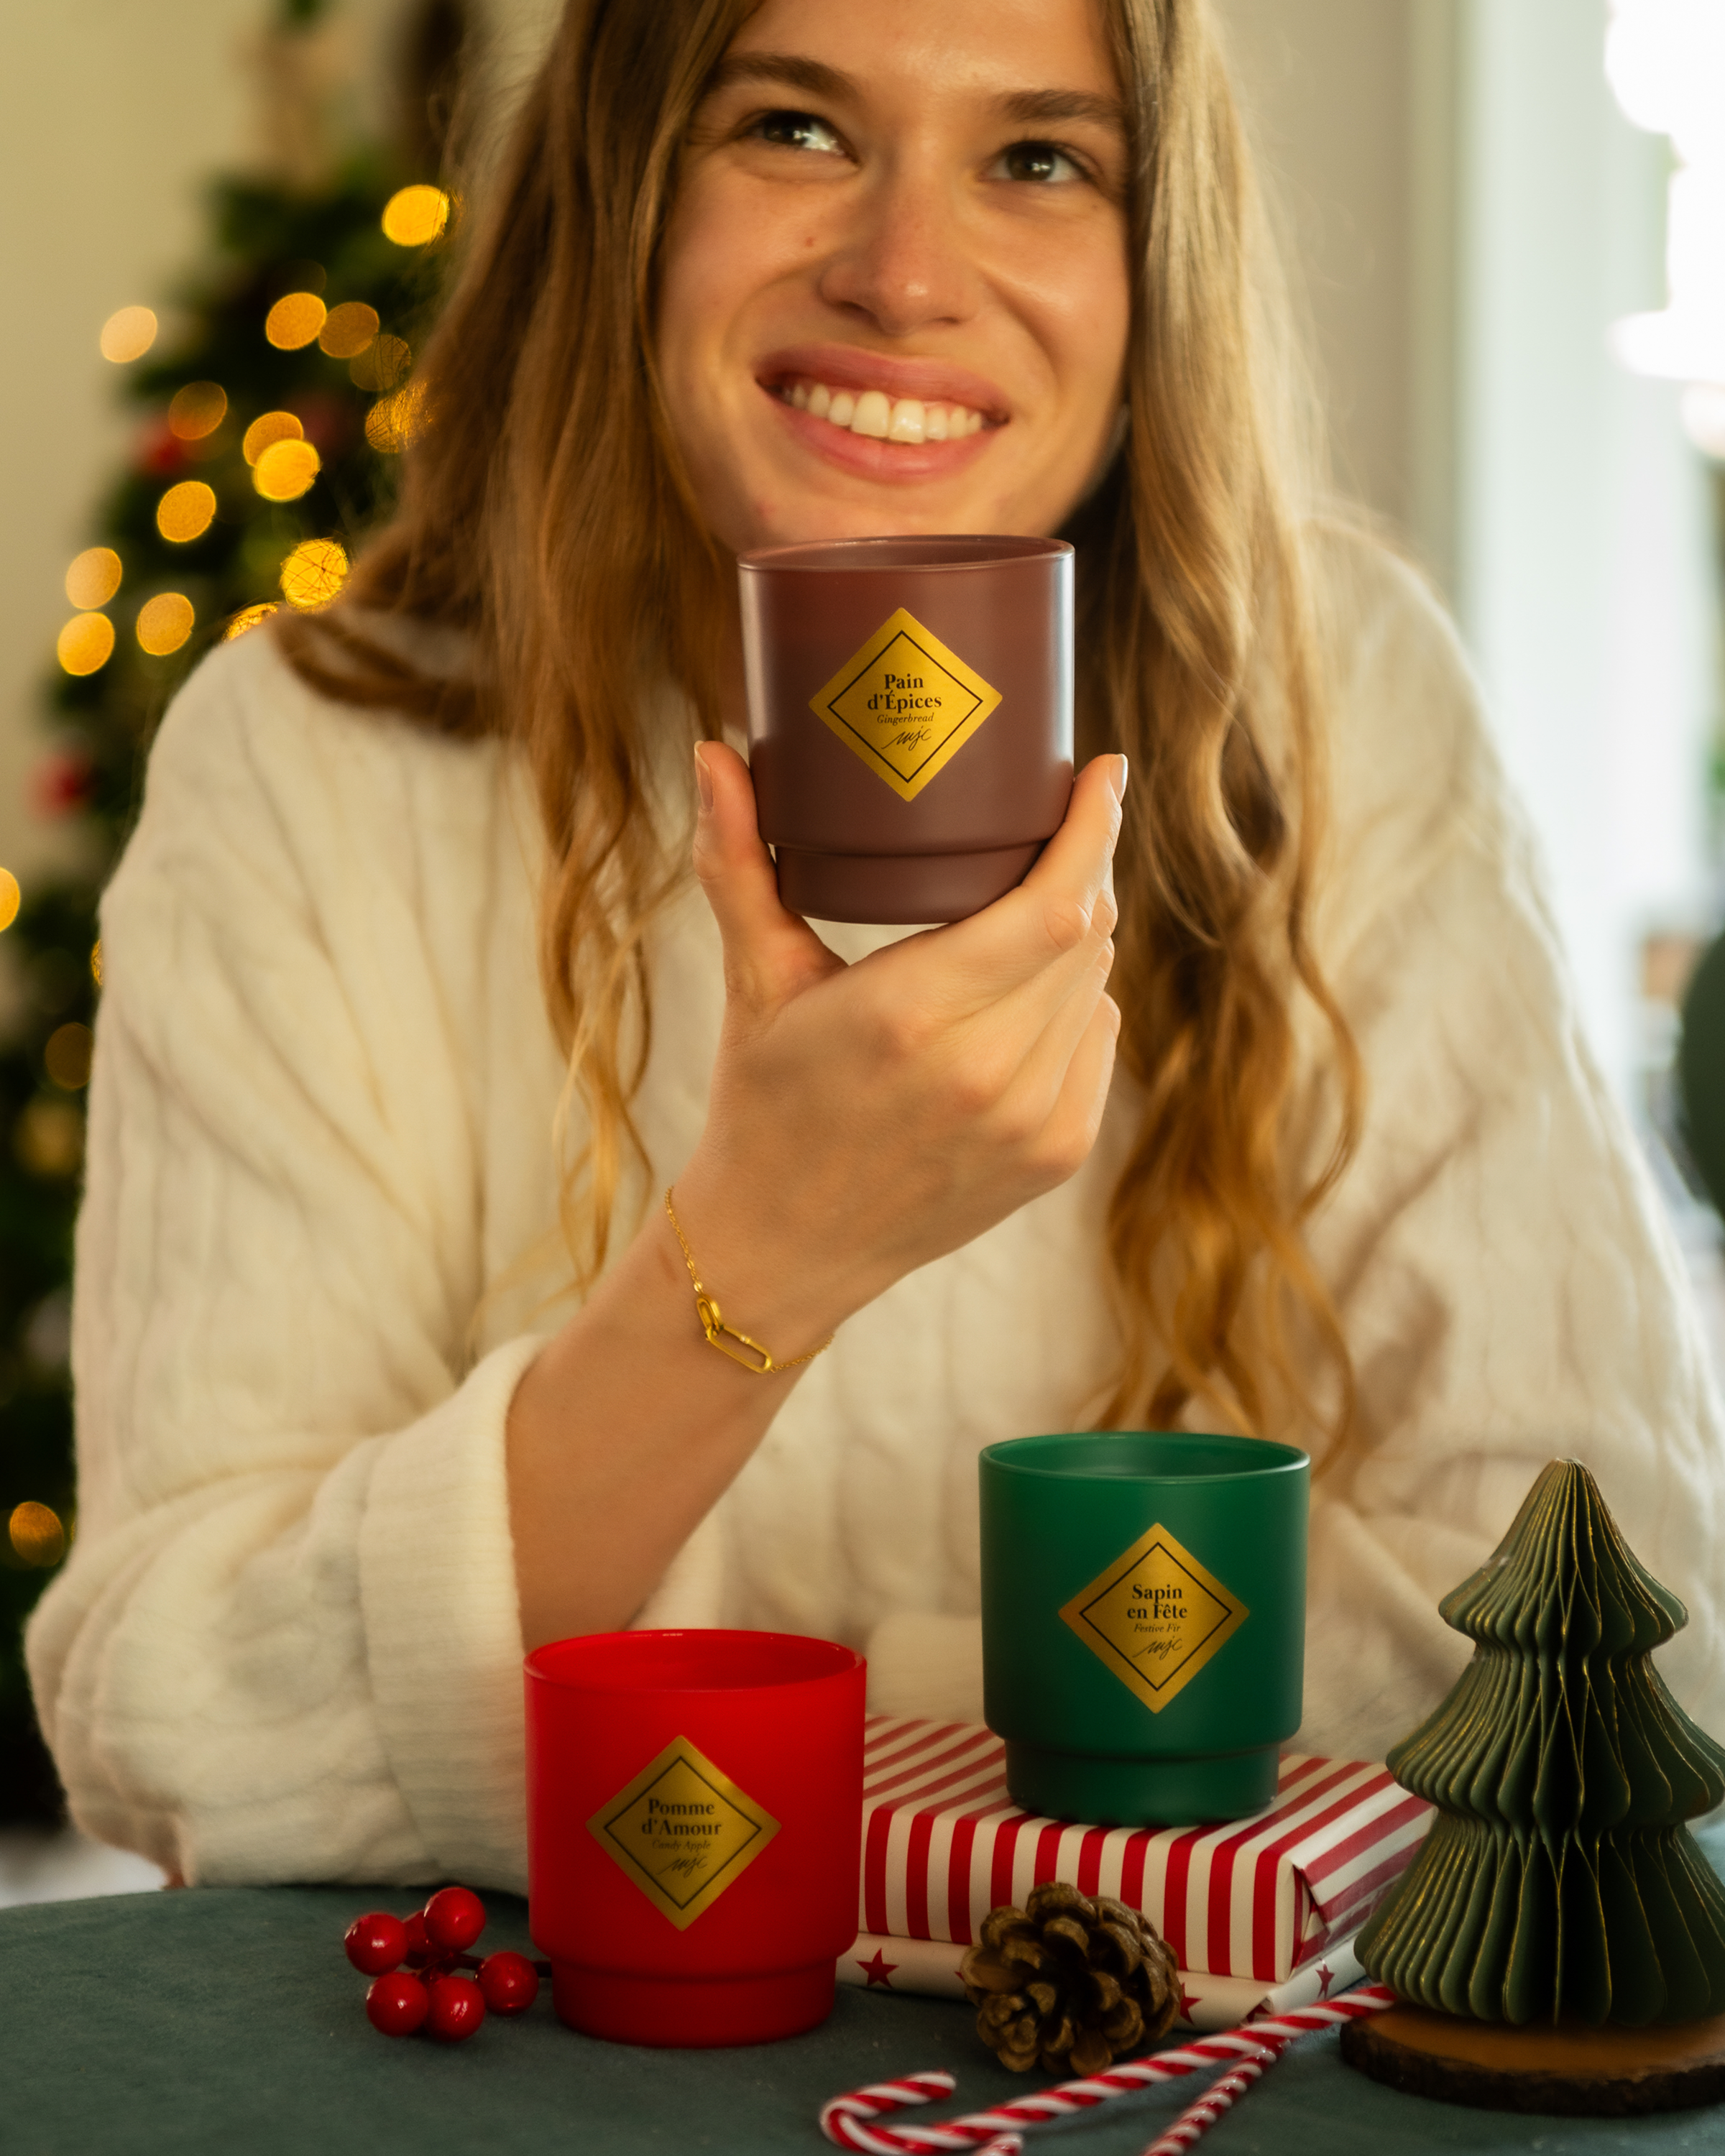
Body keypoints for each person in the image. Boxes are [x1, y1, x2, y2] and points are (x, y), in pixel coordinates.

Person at [27, 0, 1725, 1892]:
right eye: (795, 130)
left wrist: (839, 1699)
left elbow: (1622, 1626)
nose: (907, 274)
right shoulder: (315, 760)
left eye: (1039, 158)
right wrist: (762, 1255)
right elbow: (168, 1710)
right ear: (622, 195)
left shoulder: (1343, 712)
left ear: (1154, 263)